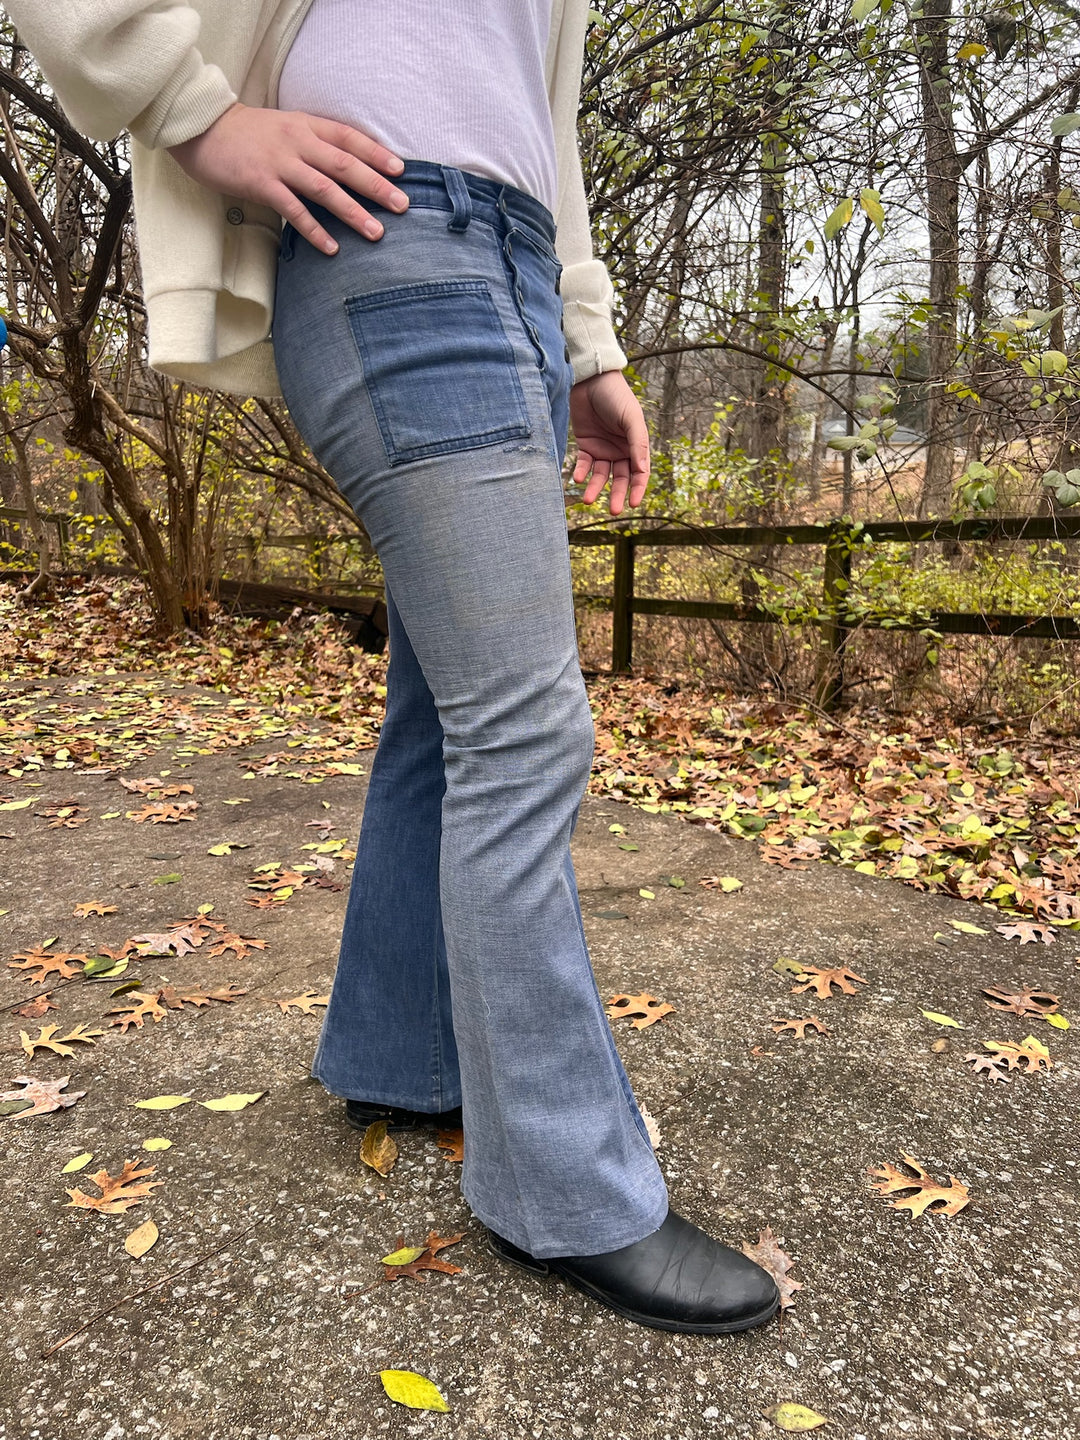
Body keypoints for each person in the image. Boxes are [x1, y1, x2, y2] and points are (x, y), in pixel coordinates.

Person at [8, 0, 779, 1336]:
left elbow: (536, 112)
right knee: (525, 732)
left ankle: (400, 1052)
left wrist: (588, 344)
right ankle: (565, 1192)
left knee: (450, 710)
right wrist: (193, 111)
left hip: (517, 267)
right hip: (394, 234)